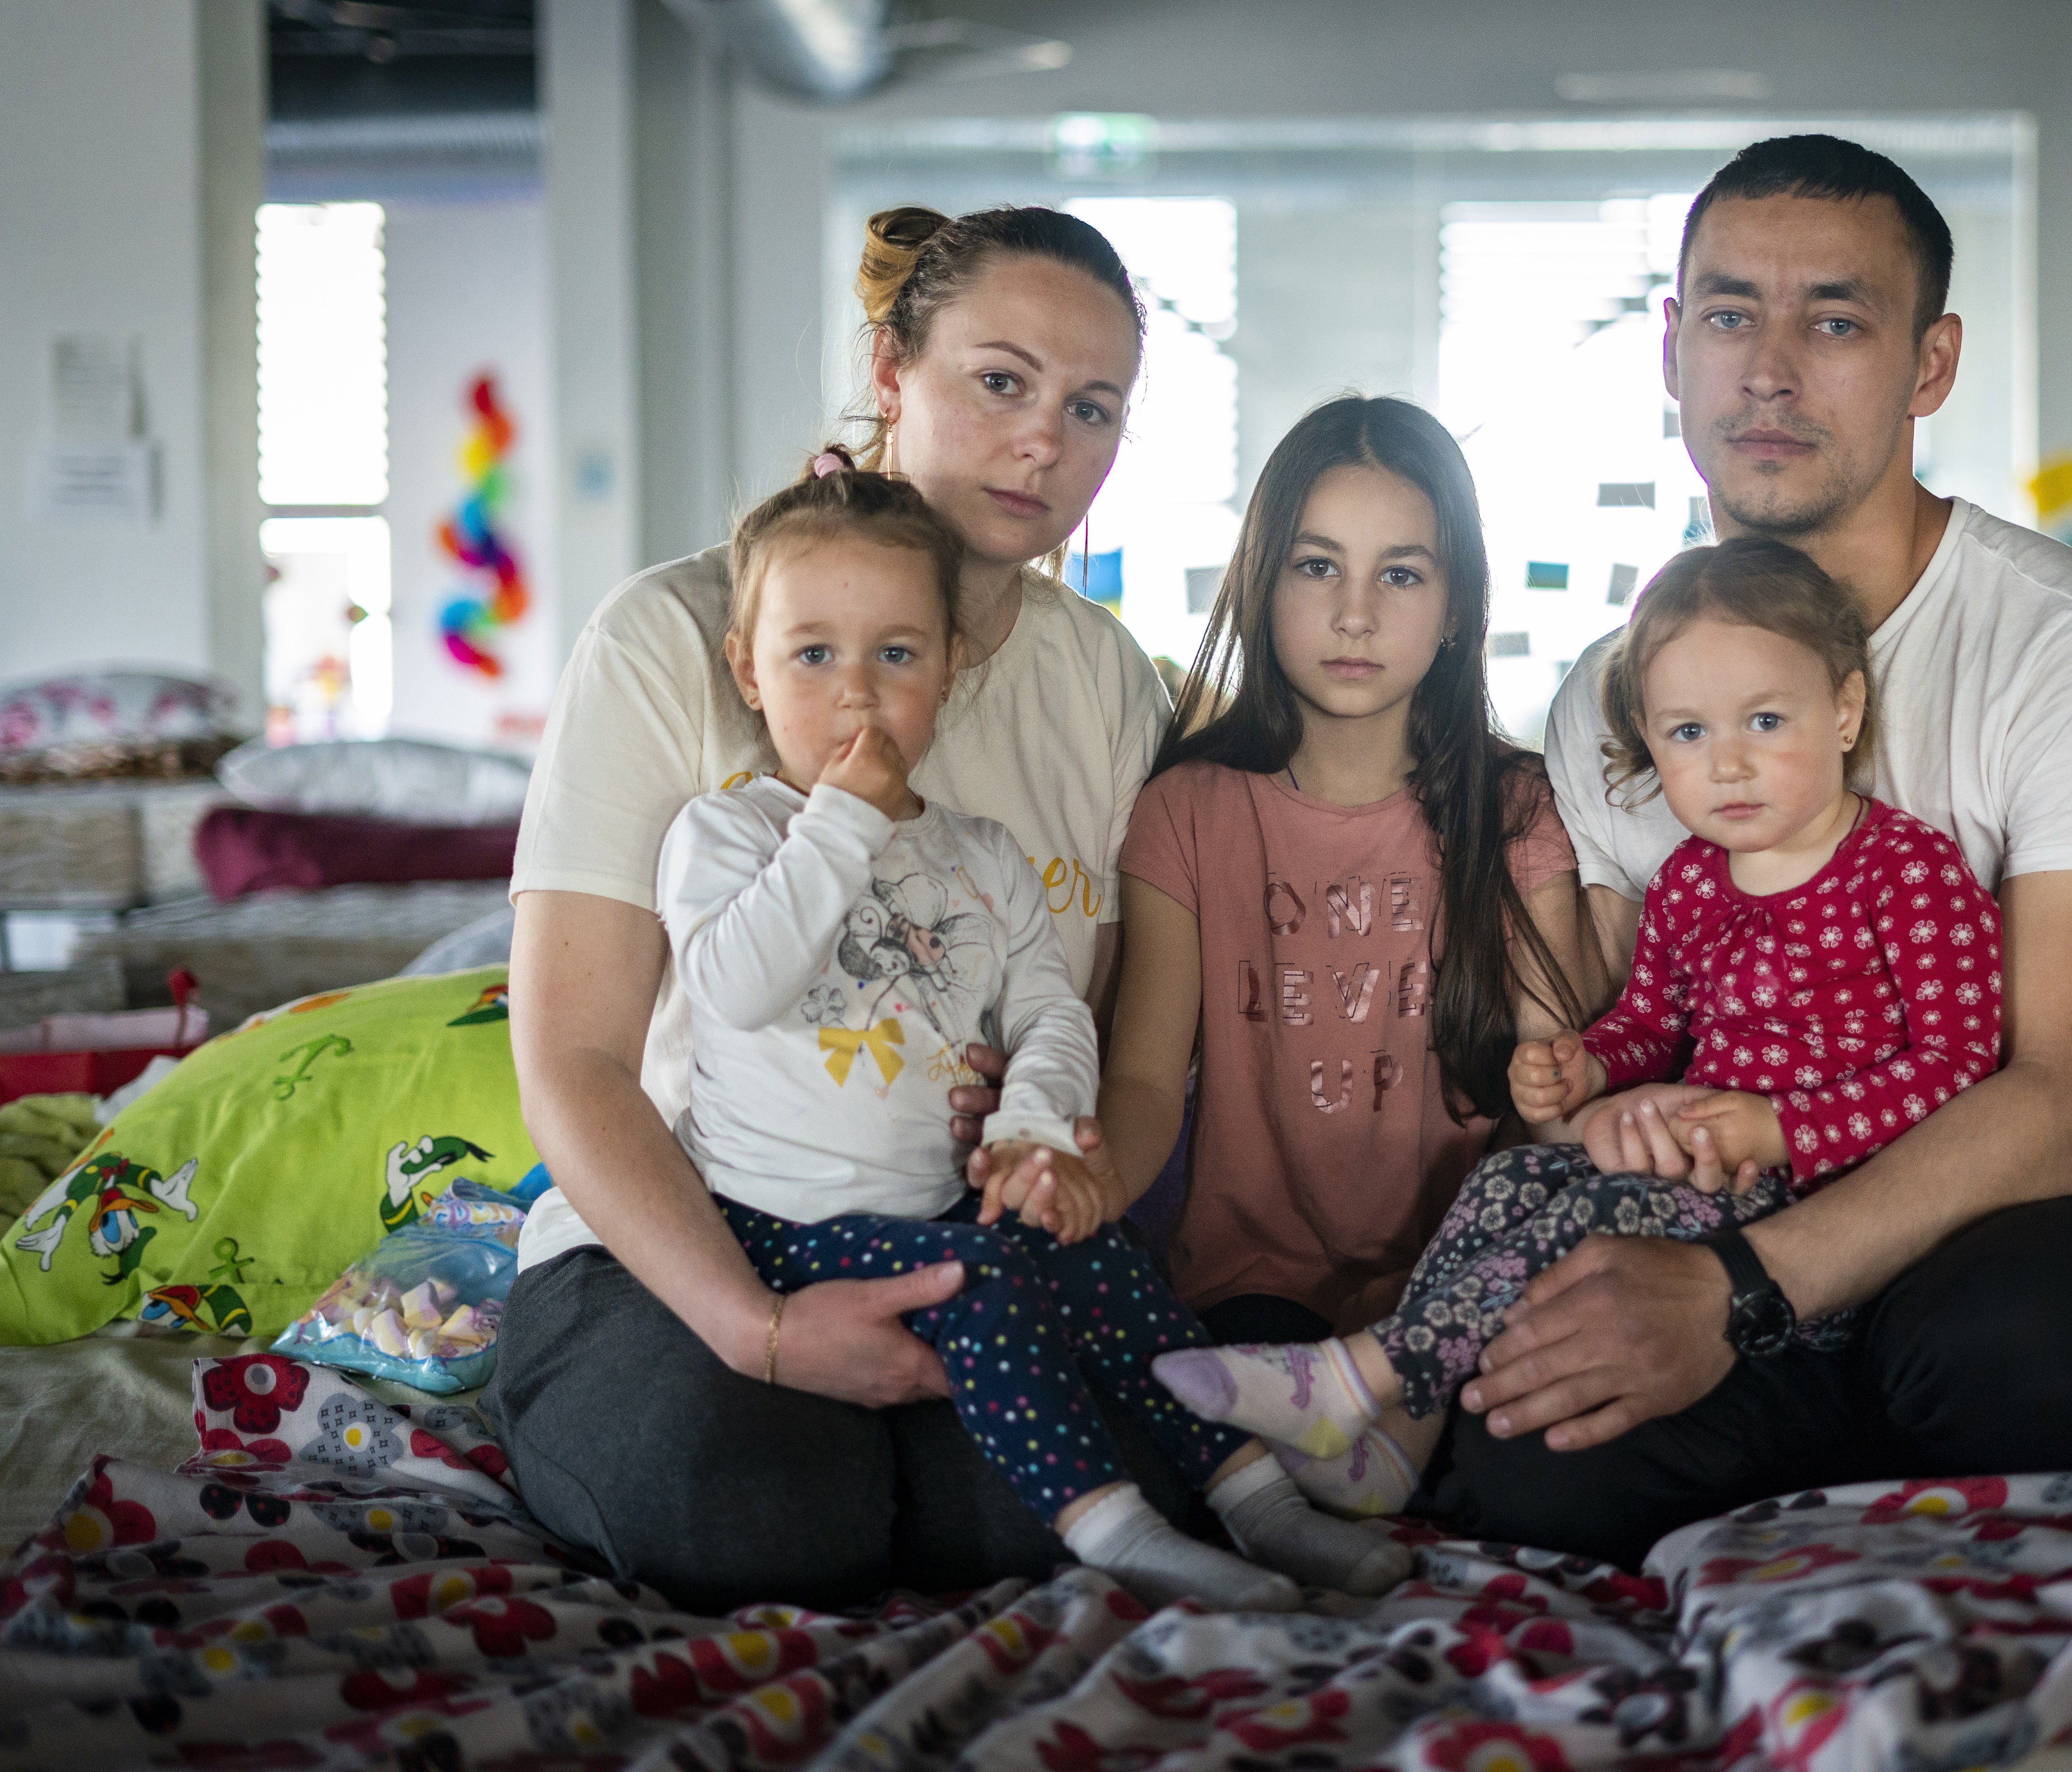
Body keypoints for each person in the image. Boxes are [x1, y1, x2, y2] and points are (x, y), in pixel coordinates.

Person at [1419, 133, 2072, 1568]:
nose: (1770, 369)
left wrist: (1728, 1297)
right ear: (1672, 347)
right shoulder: (1618, 686)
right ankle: (1838, 1455)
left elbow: (2060, 1100)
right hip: (1718, 1210)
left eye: (1836, 320)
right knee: (1524, 1456)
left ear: (1930, 364)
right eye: (1730, 315)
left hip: (2014, 1229)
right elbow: (1606, 1024)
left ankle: (1843, 1449)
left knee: (2042, 1349)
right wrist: (1584, 1105)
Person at [490, 205, 1179, 1611]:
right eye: (1002, 381)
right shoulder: (677, 636)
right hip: (687, 1236)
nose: (1045, 439)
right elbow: (571, 1059)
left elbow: (1105, 1034)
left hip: (953, 1248)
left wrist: (1056, 1153)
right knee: (753, 1506)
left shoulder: (1104, 681)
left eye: (1092, 406)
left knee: (1049, 1514)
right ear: (891, 367)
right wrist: (755, 1324)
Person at [651, 455, 1407, 1605]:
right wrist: (841, 825)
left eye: (896, 653)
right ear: (745, 672)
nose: (857, 690)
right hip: (780, 1220)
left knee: (1101, 1260)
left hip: (948, 1190)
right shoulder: (729, 834)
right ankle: (1115, 1531)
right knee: (989, 1276)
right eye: (814, 654)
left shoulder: (981, 853)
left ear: (948, 670)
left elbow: (1052, 1013)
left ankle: (1263, 1502)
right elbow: (737, 983)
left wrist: (1038, 1127)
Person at [1151, 538, 1999, 1499]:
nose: (1728, 762)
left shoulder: (1906, 870)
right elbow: (1651, 1021)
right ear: (1648, 736)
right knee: (1510, 1180)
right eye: (1687, 733)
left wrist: (1785, 1128)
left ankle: (1358, 1374)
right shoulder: (1689, 881)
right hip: (1702, 1180)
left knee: (1596, 1216)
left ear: (1843, 709)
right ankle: (1397, 1443)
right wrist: (1587, 1066)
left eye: (1766, 720)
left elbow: (1960, 1064)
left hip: (1827, 1228)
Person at [1100, 396, 1586, 1515]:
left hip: (1467, 1288)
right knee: (1230, 1471)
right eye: (1318, 567)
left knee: (1543, 1487)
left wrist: (1439, 1286)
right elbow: (1140, 1081)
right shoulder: (1187, 810)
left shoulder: (1517, 812)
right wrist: (1079, 1189)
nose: (1356, 613)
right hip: (1252, 1294)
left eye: (1403, 575)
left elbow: (1550, 1094)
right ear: (1264, 582)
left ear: (1459, 605)